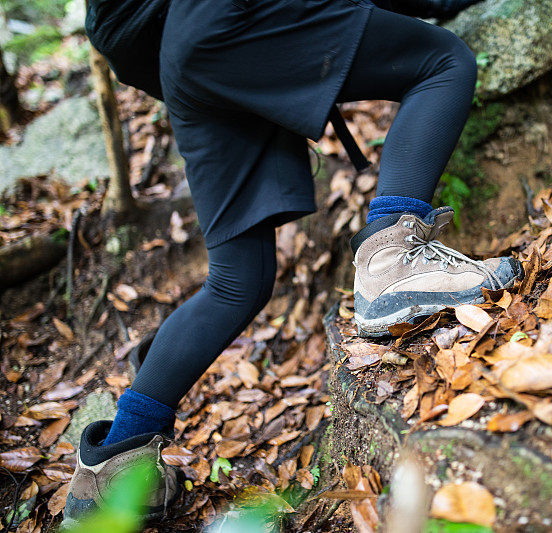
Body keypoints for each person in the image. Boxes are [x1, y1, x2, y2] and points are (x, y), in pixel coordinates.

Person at [64, 0, 522, 523]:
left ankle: (108, 471)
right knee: (443, 62)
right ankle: (392, 261)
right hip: (227, 17)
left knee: (238, 282)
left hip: (180, 62)